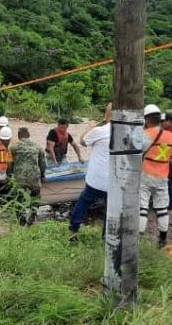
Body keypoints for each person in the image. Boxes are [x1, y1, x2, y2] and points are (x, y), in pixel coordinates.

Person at [68, 103, 112, 242]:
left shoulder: (100, 131)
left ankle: (73, 231)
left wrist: (89, 128)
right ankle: (106, 238)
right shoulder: (126, 132)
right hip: (115, 181)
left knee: (84, 201)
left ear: (106, 114)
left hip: (96, 179)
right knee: (110, 209)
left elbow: (82, 141)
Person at [140, 104, 172, 248]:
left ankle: (139, 238)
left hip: (146, 174)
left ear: (147, 119)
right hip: (163, 177)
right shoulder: (170, 135)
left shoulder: (146, 134)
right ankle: (162, 240)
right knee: (162, 209)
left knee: (142, 207)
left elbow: (137, 150)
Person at [8, 127, 47, 226]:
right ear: (29, 135)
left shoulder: (13, 147)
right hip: (33, 177)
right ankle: (32, 216)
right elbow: (43, 164)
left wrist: (9, 175)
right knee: (35, 196)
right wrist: (42, 175)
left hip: (19, 177)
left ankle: (21, 219)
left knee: (18, 197)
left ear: (18, 135)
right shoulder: (37, 147)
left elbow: (9, 164)